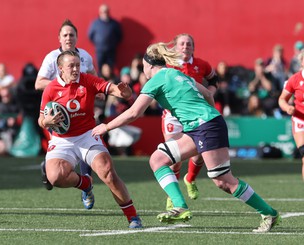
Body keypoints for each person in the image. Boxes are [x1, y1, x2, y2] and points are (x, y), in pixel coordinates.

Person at [92, 42, 281, 232]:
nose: (144, 71)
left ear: (149, 66)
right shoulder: (177, 73)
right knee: (158, 159)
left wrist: (106, 126)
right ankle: (180, 206)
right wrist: (207, 115)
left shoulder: (155, 80)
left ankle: (269, 213)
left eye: (143, 66)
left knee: (223, 180)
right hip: (203, 126)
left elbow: (134, 112)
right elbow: (207, 93)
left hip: (205, 127)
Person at [38, 50, 142, 228]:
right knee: (55, 177)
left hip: (87, 135)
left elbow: (111, 89)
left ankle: (133, 217)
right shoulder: (51, 89)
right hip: (62, 139)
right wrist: (46, 121)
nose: (76, 69)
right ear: (60, 68)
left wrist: (124, 92)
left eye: (78, 65)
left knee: (108, 173)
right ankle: (85, 184)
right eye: (71, 66)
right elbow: (41, 119)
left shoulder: (88, 80)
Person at [35, 19, 98, 208]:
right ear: (59, 38)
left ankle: (86, 185)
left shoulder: (85, 56)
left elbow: (93, 76)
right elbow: (38, 83)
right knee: (61, 154)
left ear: (77, 37)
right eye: (65, 35)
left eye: (72, 35)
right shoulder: (52, 57)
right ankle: (54, 171)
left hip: (82, 110)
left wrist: (98, 91)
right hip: (59, 115)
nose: (69, 38)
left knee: (87, 150)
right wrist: (62, 85)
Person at [163, 34, 219, 211]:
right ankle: (173, 197)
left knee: (199, 153)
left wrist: (209, 93)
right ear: (175, 46)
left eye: (189, 44)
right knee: (174, 158)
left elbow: (214, 80)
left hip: (195, 114)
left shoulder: (202, 64)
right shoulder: (168, 64)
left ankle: (190, 179)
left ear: (193, 47)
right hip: (173, 115)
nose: (185, 46)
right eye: (182, 43)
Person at [279, 49, 304, 181]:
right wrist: (287, 107)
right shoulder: (295, 79)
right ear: (302, 61)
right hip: (301, 121)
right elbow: (282, 99)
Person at [88, 4, 122, 74]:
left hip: (111, 50)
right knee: (99, 69)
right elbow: (90, 35)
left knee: (111, 69)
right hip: (100, 51)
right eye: (103, 12)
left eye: (106, 11)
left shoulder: (114, 23)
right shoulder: (95, 23)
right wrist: (98, 43)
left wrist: (113, 43)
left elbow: (119, 35)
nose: (105, 13)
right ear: (100, 12)